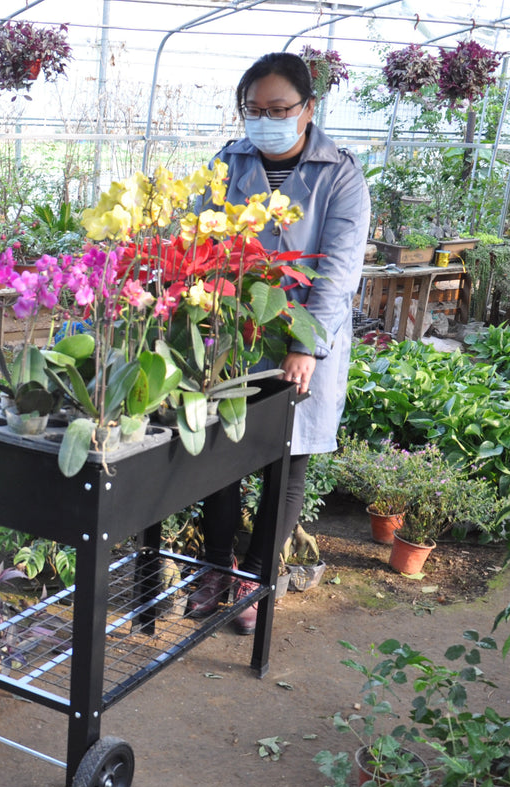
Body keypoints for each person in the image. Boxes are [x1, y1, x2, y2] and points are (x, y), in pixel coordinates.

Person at [186, 50, 371, 634]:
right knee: (221, 454)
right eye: (254, 109)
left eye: (279, 108)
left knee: (286, 460)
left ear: (308, 107)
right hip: (233, 338)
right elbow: (199, 239)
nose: (265, 119)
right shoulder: (230, 160)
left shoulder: (339, 173)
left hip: (301, 339)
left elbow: (338, 273)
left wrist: (305, 348)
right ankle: (215, 568)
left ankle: (258, 581)